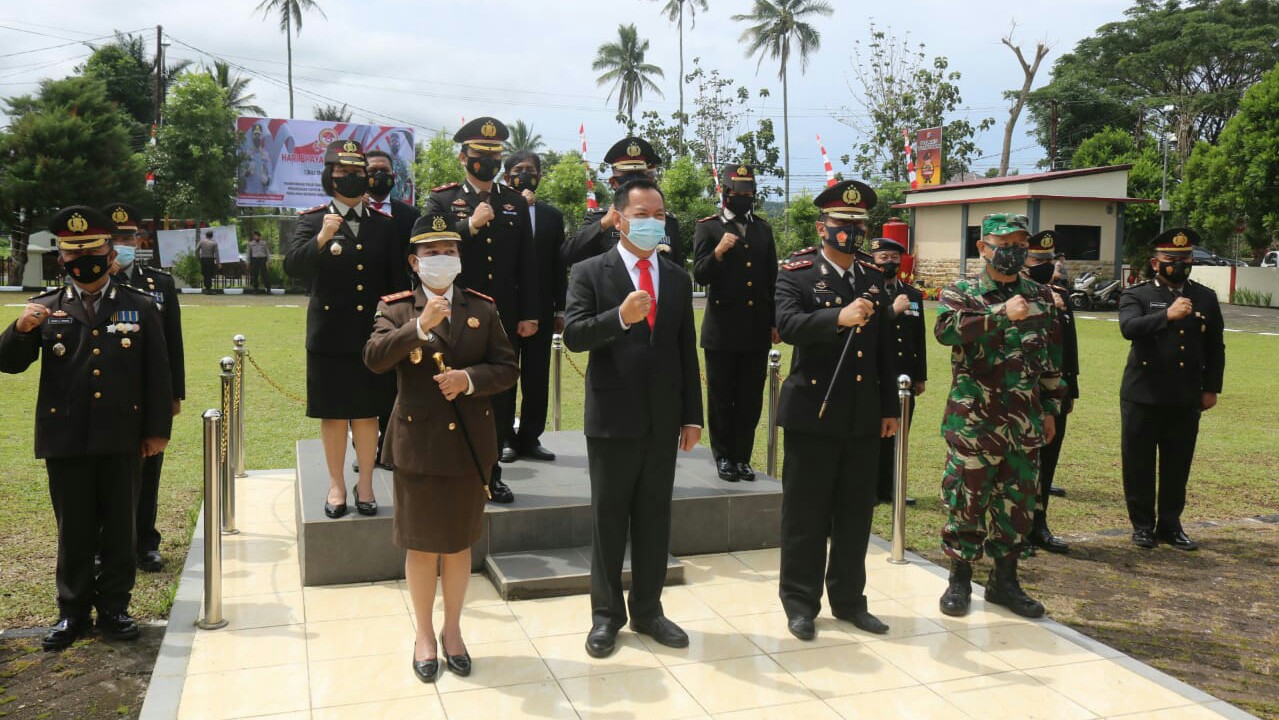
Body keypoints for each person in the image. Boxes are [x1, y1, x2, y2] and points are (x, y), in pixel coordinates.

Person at [0, 205, 173, 651]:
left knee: (120, 526)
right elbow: (8, 362)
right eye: (73, 253)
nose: (84, 260)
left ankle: (115, 606)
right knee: (73, 527)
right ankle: (72, 611)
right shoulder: (47, 308)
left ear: (108, 250)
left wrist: (156, 431)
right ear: (62, 258)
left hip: (121, 437)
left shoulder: (139, 306)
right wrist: (19, 330)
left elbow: (158, 373)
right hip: (66, 439)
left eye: (92, 250)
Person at [364, 212, 519, 683]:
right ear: (414, 261)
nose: (442, 259)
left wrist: (468, 380)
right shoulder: (395, 308)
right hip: (418, 444)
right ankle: (424, 635)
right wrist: (417, 328)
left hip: (470, 446)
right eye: (432, 253)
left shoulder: (482, 308)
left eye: (449, 251)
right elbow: (373, 359)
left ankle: (453, 631)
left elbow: (507, 368)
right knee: (420, 546)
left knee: (457, 546)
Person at [563, 178, 703, 659]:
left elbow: (686, 351)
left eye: (660, 215)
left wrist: (692, 416)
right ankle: (606, 617)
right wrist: (619, 317)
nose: (652, 222)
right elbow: (575, 336)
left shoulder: (677, 277)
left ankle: (649, 610)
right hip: (611, 417)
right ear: (619, 218)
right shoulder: (589, 272)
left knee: (653, 520)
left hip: (662, 420)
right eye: (643, 213)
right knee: (609, 520)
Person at [774, 181, 899, 641]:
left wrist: (889, 409)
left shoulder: (871, 276)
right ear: (821, 226)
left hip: (863, 417)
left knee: (855, 514)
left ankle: (849, 600)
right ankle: (800, 603)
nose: (850, 231)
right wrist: (837, 318)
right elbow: (787, 326)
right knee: (806, 514)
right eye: (841, 223)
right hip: (814, 412)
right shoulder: (798, 273)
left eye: (857, 224)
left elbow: (886, 349)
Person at [935, 213, 1065, 620]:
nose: (1012, 250)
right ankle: (959, 579)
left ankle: (1004, 582)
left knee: (1017, 506)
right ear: (982, 248)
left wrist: (1050, 410)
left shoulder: (1041, 296)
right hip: (974, 421)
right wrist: (1000, 314)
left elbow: (1050, 361)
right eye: (1003, 243)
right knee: (967, 501)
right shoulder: (963, 291)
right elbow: (947, 332)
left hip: (1023, 422)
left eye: (1019, 243)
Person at [284, 138, 403, 520]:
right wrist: (321, 238)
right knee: (334, 415)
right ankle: (336, 484)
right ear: (328, 177)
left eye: (357, 173)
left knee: (368, 414)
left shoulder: (384, 226)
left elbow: (397, 281)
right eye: (342, 173)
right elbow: (292, 267)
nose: (351, 179)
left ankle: (365, 483)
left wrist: (393, 328)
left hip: (372, 336)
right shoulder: (311, 219)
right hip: (329, 336)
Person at [425, 117, 540, 504]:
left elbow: (528, 262)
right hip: (457, 313)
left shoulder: (513, 203)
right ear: (463, 157)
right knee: (456, 388)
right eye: (479, 155)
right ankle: (455, 469)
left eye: (494, 155)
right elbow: (432, 246)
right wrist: (469, 226)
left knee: (500, 394)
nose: (487, 161)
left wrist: (529, 313)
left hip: (503, 316)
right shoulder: (443, 200)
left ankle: (492, 472)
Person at [1119, 228, 1225, 551]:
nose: (1179, 264)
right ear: (1155, 263)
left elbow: (1215, 347)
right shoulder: (1136, 295)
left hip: (1184, 395)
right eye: (1171, 259)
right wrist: (1167, 315)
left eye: (1185, 258)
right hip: (1144, 395)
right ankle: (1142, 527)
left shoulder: (1205, 296)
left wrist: (1211, 388)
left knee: (1177, 463)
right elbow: (1129, 328)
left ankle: (1170, 524)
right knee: (1139, 463)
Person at [103, 202, 185, 572]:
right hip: (108, 392)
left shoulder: (159, 283)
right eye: (116, 238)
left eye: (129, 237)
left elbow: (173, 342)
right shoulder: (95, 281)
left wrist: (174, 393)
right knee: (107, 471)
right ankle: (105, 543)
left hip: (149, 392)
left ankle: (145, 542)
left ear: (139, 238)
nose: (125, 243)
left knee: (149, 468)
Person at [692, 164, 778, 482]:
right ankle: (723, 456)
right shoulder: (708, 227)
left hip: (755, 329)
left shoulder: (763, 230)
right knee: (721, 396)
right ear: (725, 194)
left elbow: (771, 280)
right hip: (722, 331)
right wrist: (718, 252)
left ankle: (743, 457)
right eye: (737, 193)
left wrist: (774, 322)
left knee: (749, 398)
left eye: (748, 193)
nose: (743, 198)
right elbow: (699, 274)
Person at [500, 149, 566, 462]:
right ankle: (504, 438)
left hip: (539, 309)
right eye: (518, 169)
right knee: (504, 376)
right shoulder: (494, 209)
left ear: (539, 176)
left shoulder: (553, 217)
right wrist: (517, 208)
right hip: (503, 309)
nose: (525, 174)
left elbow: (557, 265)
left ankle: (530, 437)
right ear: (505, 175)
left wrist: (560, 309)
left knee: (537, 377)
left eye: (531, 170)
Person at [365, 148, 420, 471]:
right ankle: (364, 447)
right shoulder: (354, 213)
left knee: (394, 380)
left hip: (398, 310)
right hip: (361, 311)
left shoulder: (408, 216)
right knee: (363, 380)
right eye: (373, 170)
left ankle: (390, 444)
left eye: (385, 170)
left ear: (394, 177)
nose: (379, 176)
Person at [1024, 231, 1077, 554]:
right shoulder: (1018, 296)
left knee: (1047, 460)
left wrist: (1070, 391)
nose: (1046, 266)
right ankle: (1015, 529)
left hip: (1055, 391)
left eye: (1049, 260)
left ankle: (1039, 525)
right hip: (1022, 393)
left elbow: (1067, 350)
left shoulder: (1061, 295)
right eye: (1038, 260)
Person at [563, 136, 684, 269]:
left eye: (641, 177)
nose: (635, 185)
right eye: (629, 179)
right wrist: (603, 224)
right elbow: (567, 255)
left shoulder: (665, 221)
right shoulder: (599, 219)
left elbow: (677, 270)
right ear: (614, 183)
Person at [868, 236, 926, 506]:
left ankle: (891, 487)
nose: (889, 263)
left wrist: (920, 375)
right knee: (874, 435)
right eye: (884, 258)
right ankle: (871, 489)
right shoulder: (868, 292)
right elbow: (870, 330)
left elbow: (919, 336)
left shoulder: (913, 294)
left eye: (894, 258)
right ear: (873, 260)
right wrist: (892, 310)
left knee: (900, 434)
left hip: (904, 376)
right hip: (876, 374)